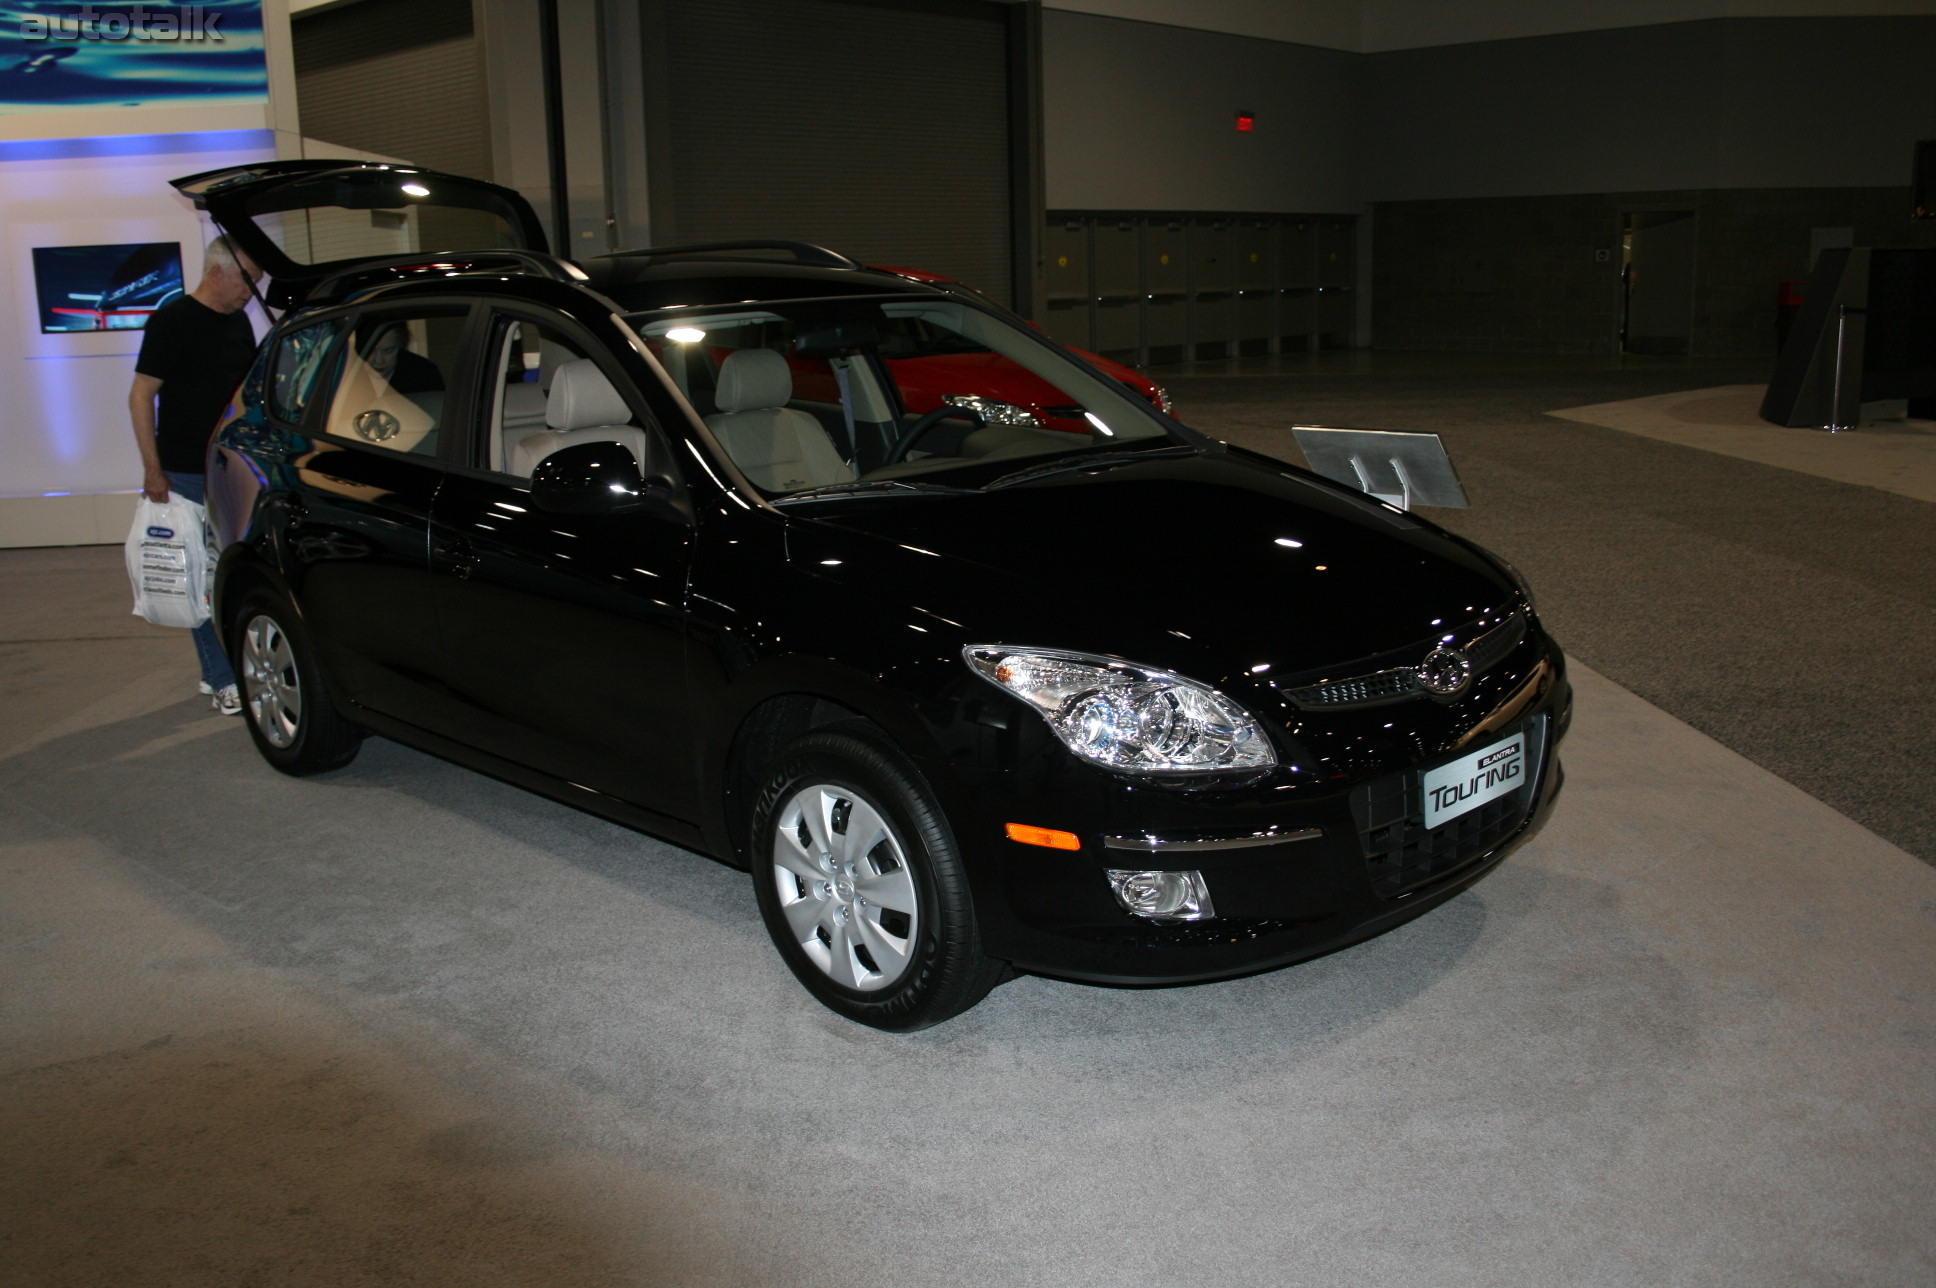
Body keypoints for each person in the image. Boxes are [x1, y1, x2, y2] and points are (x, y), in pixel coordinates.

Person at [127, 234, 262, 716]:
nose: (251, 293)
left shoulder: (240, 324)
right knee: (198, 578)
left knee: (229, 573)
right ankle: (221, 677)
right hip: (182, 471)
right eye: (248, 282)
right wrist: (152, 469)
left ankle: (224, 671)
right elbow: (141, 395)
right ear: (217, 271)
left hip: (229, 468)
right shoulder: (173, 321)